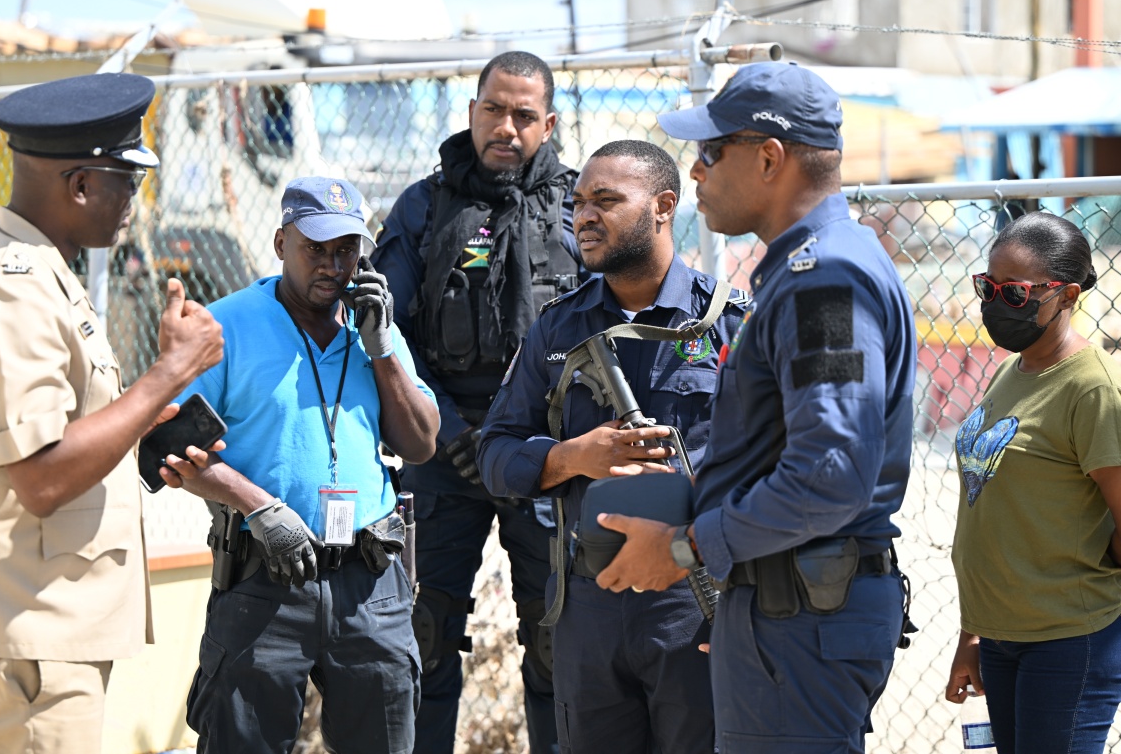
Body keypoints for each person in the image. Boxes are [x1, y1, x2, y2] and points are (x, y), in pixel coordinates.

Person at [592, 62, 916, 753]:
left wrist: (686, 549)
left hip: (799, 616)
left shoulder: (824, 277)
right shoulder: (817, 266)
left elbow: (829, 474)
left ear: (770, 158)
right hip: (784, 610)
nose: (696, 171)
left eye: (712, 152)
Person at [0, 72, 225, 754]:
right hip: (27, 630)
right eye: (127, 181)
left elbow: (56, 436)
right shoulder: (13, 289)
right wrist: (168, 371)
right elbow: (42, 477)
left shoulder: (40, 270)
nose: (134, 201)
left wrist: (138, 427)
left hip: (44, 621)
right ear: (82, 184)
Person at [477, 139, 745, 752]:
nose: (584, 217)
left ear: (662, 207)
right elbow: (495, 453)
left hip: (695, 599)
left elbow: (774, 464)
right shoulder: (558, 326)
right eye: (578, 203)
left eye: (606, 200)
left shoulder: (729, 324)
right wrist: (574, 455)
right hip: (589, 607)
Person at [158, 176, 440, 754]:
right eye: (316, 249)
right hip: (266, 578)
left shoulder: (374, 329)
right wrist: (258, 505)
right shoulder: (224, 325)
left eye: (347, 250)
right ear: (280, 241)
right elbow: (172, 446)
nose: (333, 265)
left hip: (372, 583)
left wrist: (382, 346)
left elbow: (420, 443)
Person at [370, 50, 581, 753]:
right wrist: (446, 426)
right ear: (472, 112)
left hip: (547, 455)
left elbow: (610, 330)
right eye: (494, 109)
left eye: (524, 115)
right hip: (441, 449)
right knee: (419, 641)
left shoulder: (583, 209)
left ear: (548, 124)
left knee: (559, 642)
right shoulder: (424, 207)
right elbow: (384, 329)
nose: (507, 127)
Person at [944, 212, 1121, 754]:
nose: (996, 303)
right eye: (988, 286)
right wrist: (973, 635)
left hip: (1069, 639)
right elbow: (991, 510)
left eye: (1015, 293)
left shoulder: (1094, 390)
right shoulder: (1012, 370)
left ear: (1067, 295)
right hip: (1001, 635)